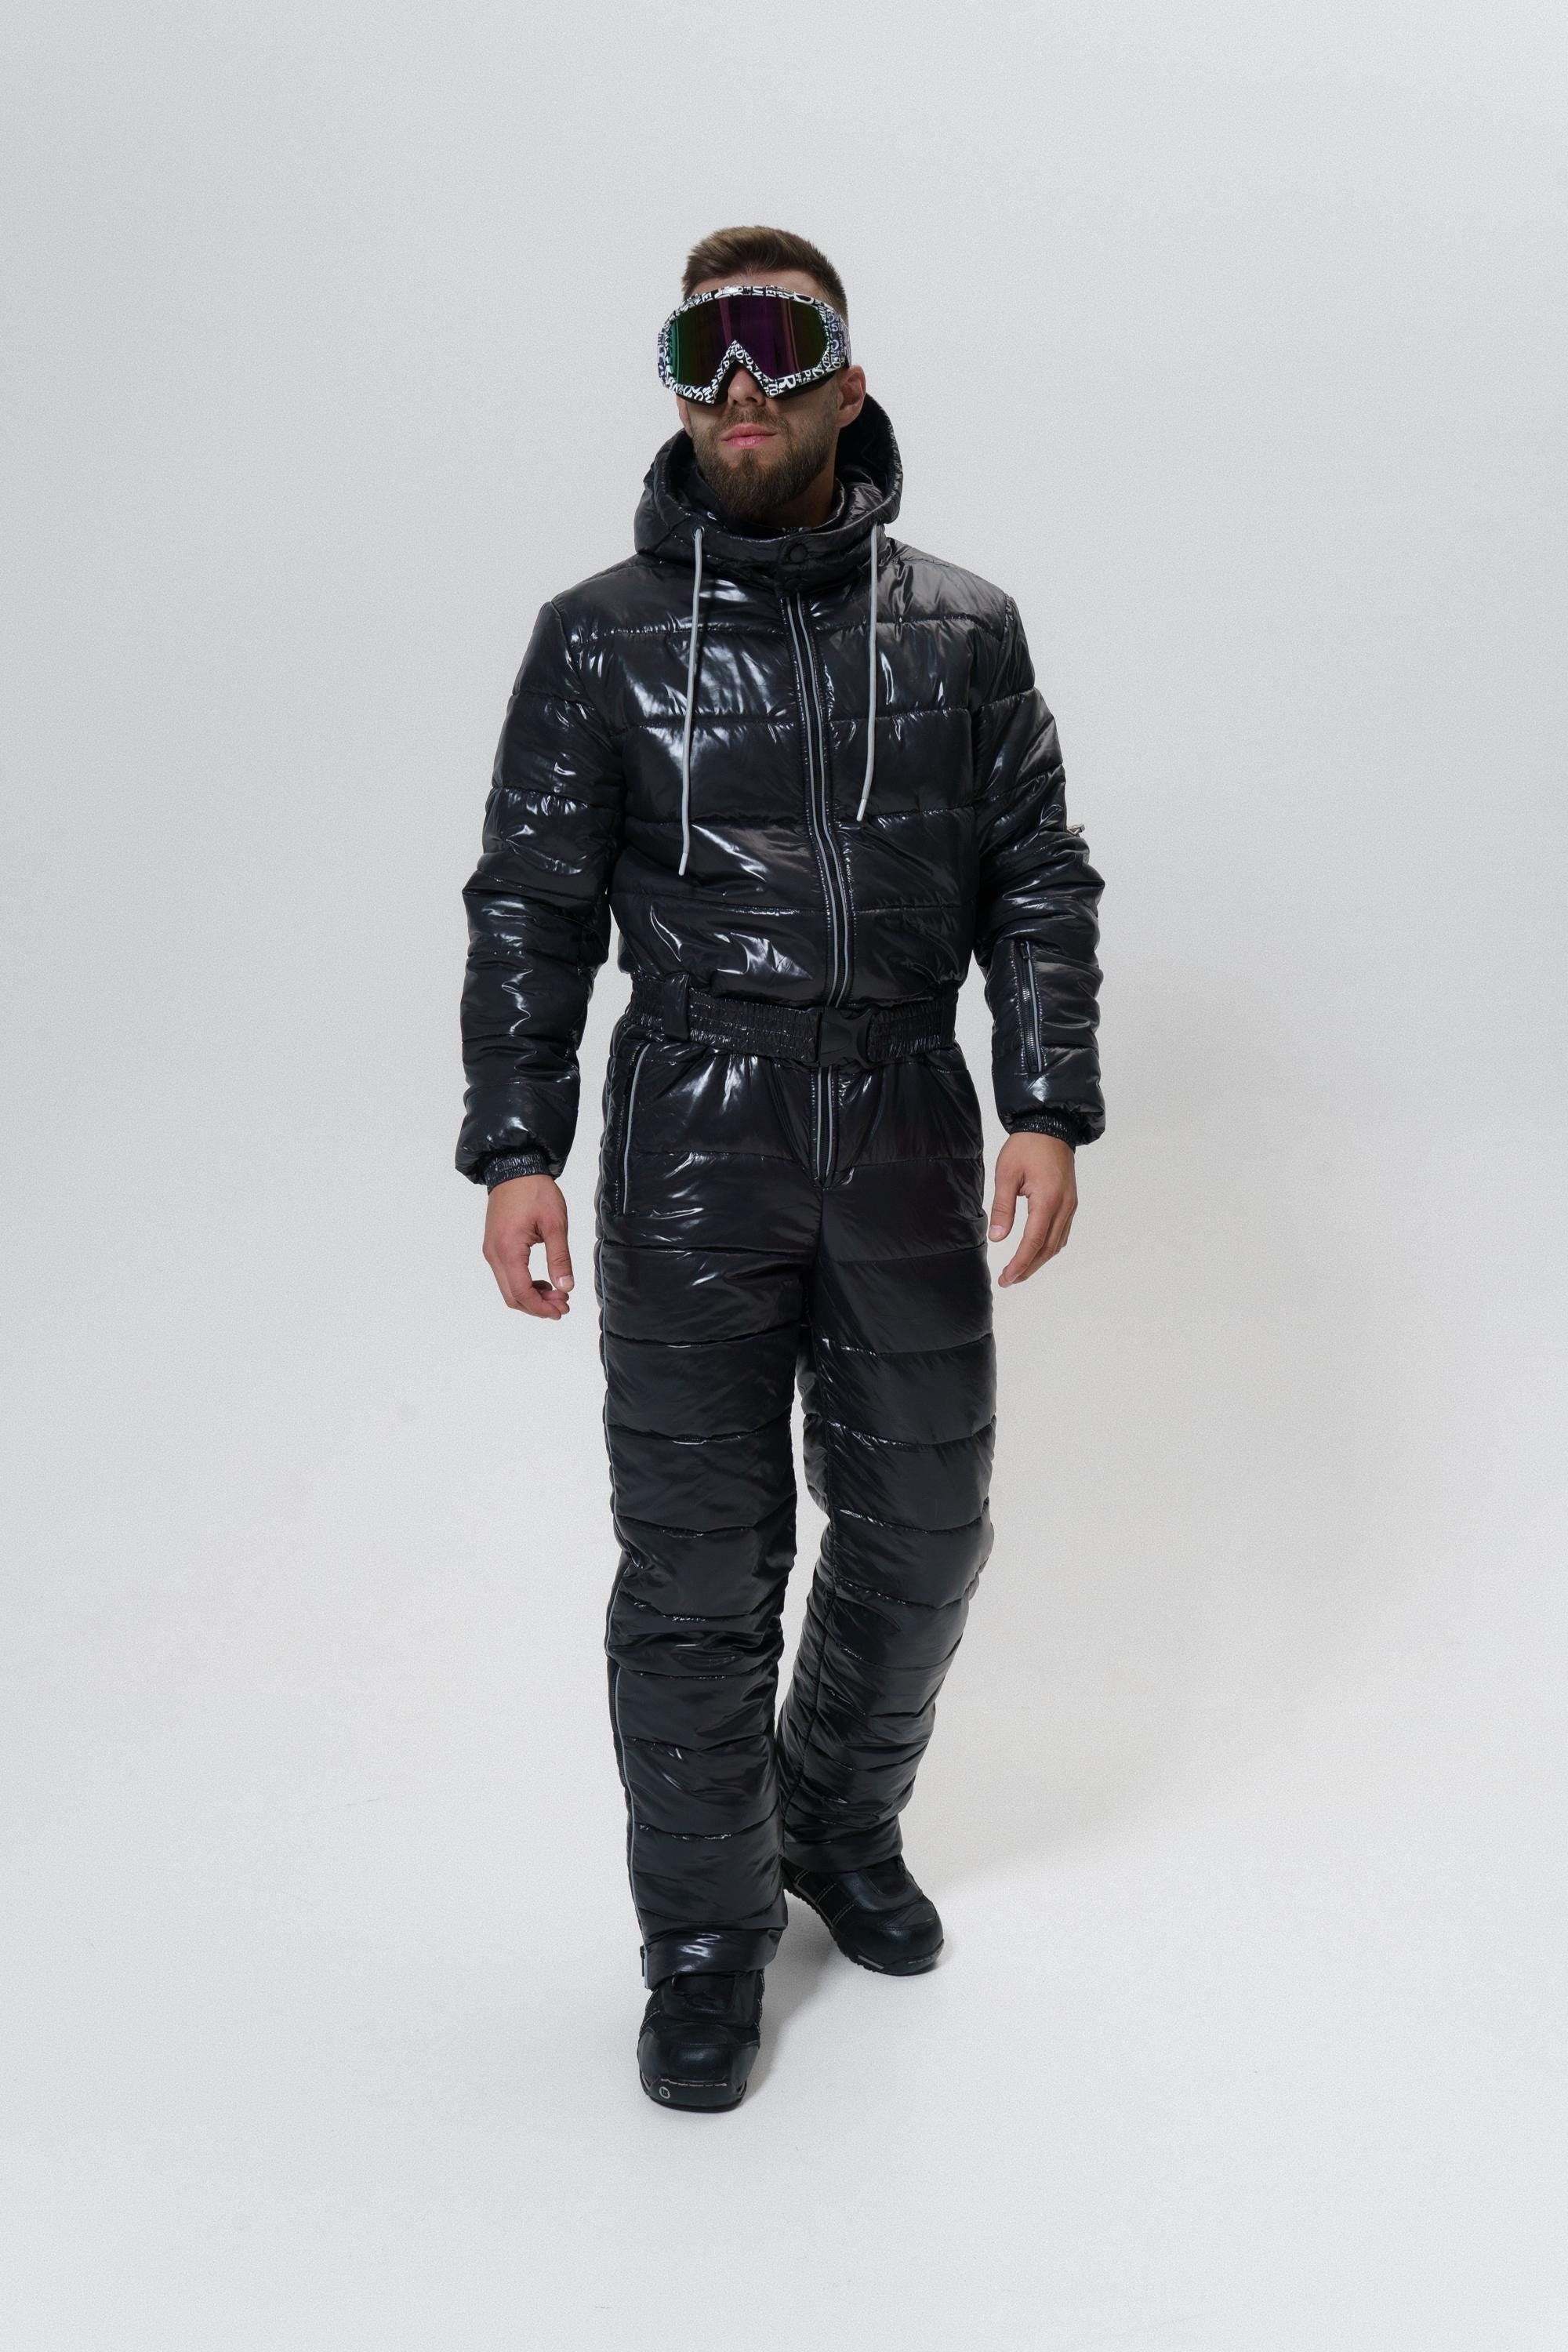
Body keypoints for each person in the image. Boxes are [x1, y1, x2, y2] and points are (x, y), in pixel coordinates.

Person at [457, 225, 1105, 2111]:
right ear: (676, 389)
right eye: (702, 349)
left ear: (848, 380)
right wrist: (518, 1146)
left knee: (926, 1531)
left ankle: (830, 1814)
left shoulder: (964, 629)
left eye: (777, 342)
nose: (739, 385)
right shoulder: (598, 636)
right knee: (696, 1567)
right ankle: (704, 1939)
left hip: (903, 1117)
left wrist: (1047, 1100)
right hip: (694, 1133)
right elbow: (531, 903)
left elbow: (1035, 874)